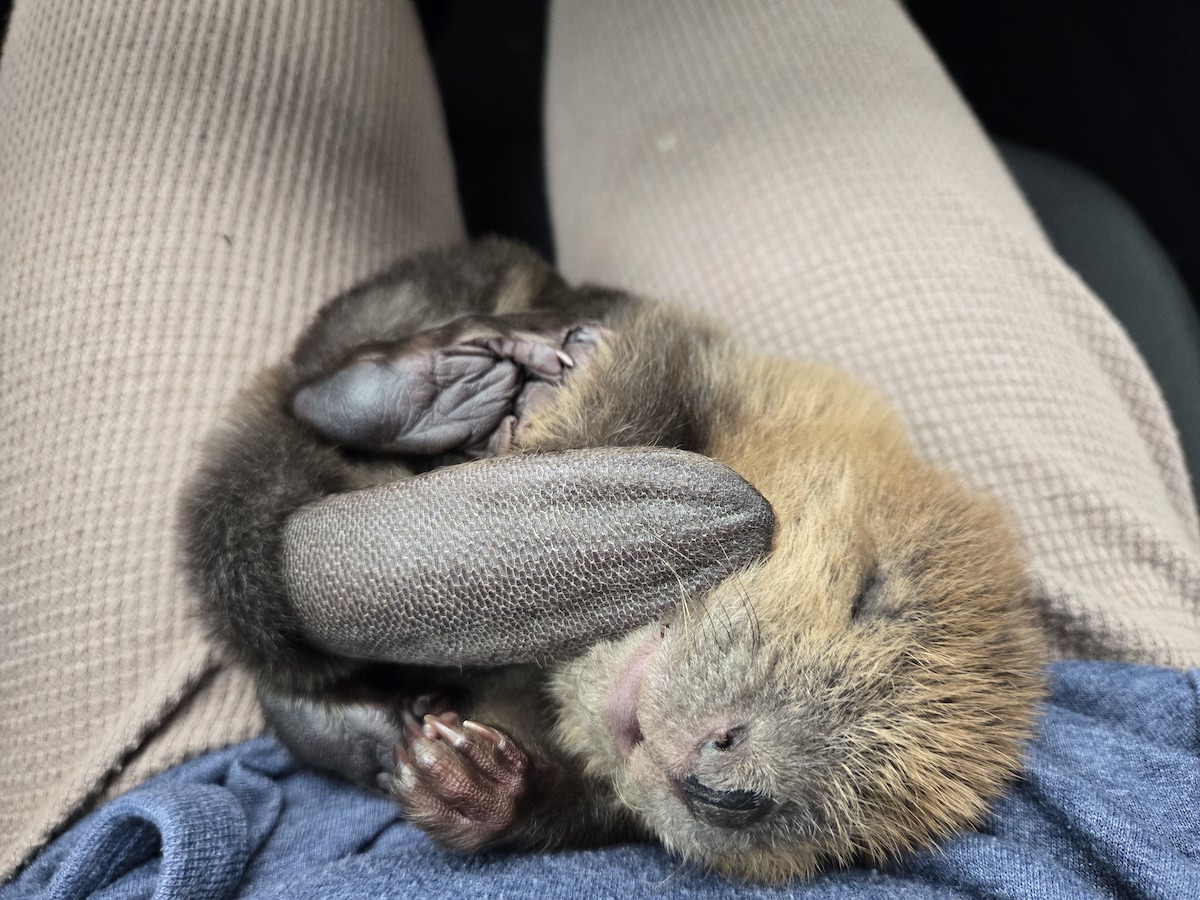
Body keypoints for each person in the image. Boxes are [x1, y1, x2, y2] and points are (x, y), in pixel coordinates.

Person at [1, 1, 1197, 896]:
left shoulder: (726, 799)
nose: (715, 770)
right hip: (1114, 759)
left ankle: (372, 567)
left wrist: (506, 800)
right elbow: (817, 445)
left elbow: (628, 799)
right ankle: (557, 383)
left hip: (228, 821)